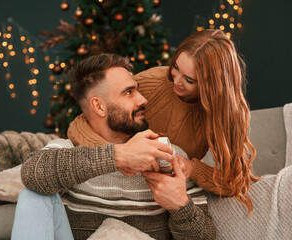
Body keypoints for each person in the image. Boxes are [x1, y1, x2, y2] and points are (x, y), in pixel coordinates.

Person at [12, 53, 216, 240]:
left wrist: (181, 205)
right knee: (33, 194)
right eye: (129, 92)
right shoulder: (67, 150)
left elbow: (206, 237)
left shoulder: (168, 155)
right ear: (99, 106)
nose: (143, 99)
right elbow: (31, 174)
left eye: (137, 90)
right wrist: (120, 156)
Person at [70, 29, 259, 212]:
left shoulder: (224, 115)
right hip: (122, 180)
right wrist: (120, 155)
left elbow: (235, 181)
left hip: (165, 197)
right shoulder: (155, 81)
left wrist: (192, 168)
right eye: (175, 67)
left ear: (213, 85)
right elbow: (83, 121)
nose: (176, 81)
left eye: (189, 80)